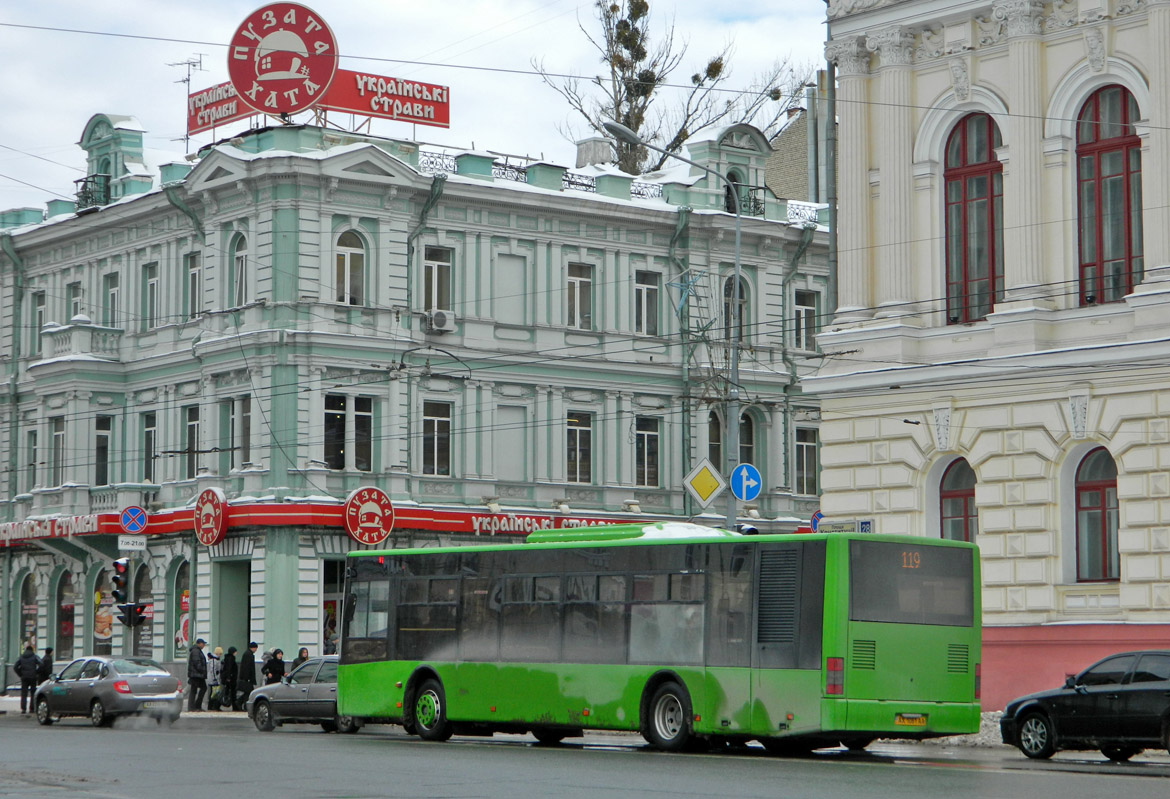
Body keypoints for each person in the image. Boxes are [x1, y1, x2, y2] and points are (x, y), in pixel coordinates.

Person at [14, 645, 40, 715]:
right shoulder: (35, 656)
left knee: (24, 693)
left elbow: (15, 667)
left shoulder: (21, 657)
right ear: (32, 650)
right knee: (33, 693)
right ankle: (32, 708)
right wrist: (36, 672)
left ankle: (23, 709)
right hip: (33, 677)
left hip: (24, 677)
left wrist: (20, 674)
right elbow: (42, 664)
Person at [186, 638, 208, 712]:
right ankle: (193, 706)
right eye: (203, 643)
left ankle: (195, 706)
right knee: (195, 690)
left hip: (197, 674)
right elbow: (197, 663)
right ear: (199, 643)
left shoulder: (197, 651)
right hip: (196, 675)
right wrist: (202, 670)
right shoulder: (196, 651)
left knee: (197, 689)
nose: (204, 645)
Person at [236, 642, 259, 711]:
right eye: (256, 648)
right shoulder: (249, 655)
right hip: (247, 678)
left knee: (248, 692)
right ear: (253, 647)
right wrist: (248, 678)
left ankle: (241, 703)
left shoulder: (247, 654)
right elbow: (248, 667)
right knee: (248, 692)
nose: (256, 650)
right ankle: (242, 704)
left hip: (246, 677)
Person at [220, 646, 239, 711]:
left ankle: (234, 706)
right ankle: (234, 706)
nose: (236, 653)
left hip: (230, 678)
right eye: (235, 651)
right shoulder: (230, 659)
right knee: (230, 692)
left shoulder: (228, 658)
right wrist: (229, 677)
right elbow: (229, 668)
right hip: (231, 678)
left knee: (228, 692)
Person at [206, 646, 223, 712]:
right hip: (213, 679)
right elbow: (213, 670)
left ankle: (212, 706)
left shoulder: (215, 659)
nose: (220, 655)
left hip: (213, 678)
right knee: (214, 693)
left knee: (214, 693)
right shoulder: (214, 660)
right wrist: (215, 678)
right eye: (220, 653)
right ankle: (212, 706)